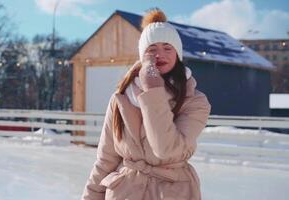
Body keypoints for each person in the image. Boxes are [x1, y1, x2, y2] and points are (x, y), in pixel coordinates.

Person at [82, 8, 211, 200]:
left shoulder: (195, 102)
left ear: (178, 54)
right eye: (152, 49)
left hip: (174, 192)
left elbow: (165, 150)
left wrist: (153, 91)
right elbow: (105, 160)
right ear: (143, 56)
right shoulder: (121, 98)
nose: (160, 54)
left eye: (168, 48)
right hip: (125, 192)